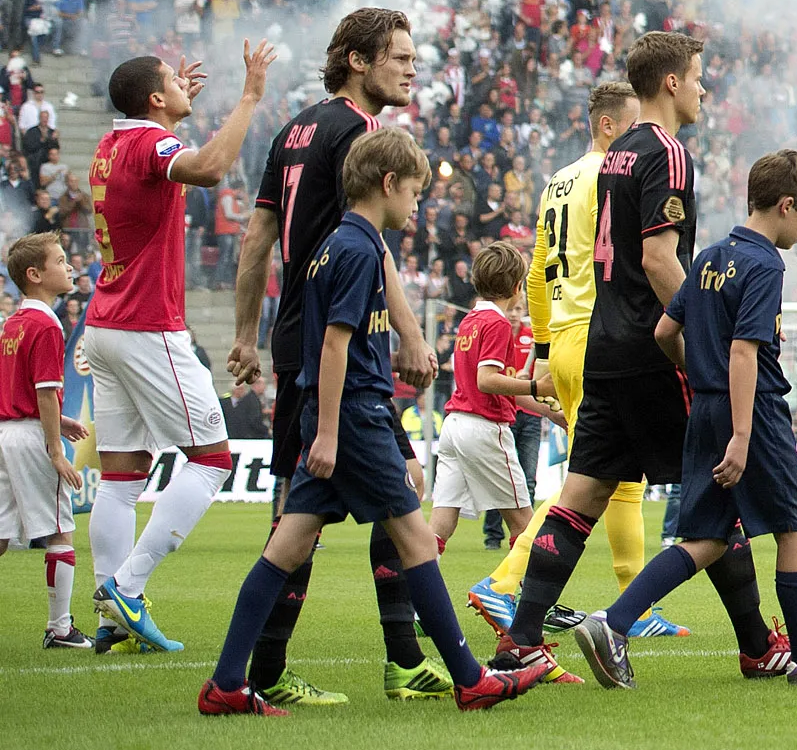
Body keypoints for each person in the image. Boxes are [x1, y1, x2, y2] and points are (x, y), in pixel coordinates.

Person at [197, 127, 551, 715]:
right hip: (354, 417)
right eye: (414, 191)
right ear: (387, 184)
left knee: (285, 546)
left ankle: (227, 683)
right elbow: (335, 347)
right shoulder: (361, 250)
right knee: (415, 540)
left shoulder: (334, 244)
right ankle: (471, 679)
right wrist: (333, 433)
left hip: (335, 412)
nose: (417, 204)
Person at [496, 34, 778, 676]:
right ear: (673, 83)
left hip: (603, 343)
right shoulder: (667, 153)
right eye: (699, 77)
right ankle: (758, 645)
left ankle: (520, 640)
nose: (705, 89)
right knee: (720, 488)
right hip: (656, 346)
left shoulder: (615, 153)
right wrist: (699, 332)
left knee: (580, 496)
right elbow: (658, 257)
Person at [575, 150, 797, 688]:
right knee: (794, 526)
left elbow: (665, 333)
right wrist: (742, 433)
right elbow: (745, 352)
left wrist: (701, 379)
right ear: (786, 206)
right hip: (753, 410)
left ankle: (612, 622)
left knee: (707, 537)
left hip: (708, 407)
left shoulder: (712, 256)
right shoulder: (765, 264)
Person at [227, 7, 445, 701]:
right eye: (400, 56)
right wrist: (409, 331)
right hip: (341, 344)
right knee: (318, 512)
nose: (412, 68)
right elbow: (369, 240)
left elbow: (258, 232)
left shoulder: (295, 128)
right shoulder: (361, 133)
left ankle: (396, 657)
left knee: (373, 493)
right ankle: (264, 672)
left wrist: (244, 332)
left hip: (302, 335)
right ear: (356, 59)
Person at [84, 41, 278, 657]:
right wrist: (249, 97)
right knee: (213, 459)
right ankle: (128, 586)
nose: (184, 83)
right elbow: (209, 168)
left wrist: (176, 114)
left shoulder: (112, 145)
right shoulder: (148, 142)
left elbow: (166, 157)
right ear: (153, 99)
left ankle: (111, 616)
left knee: (120, 476)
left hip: (104, 324)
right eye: (173, 80)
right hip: (147, 326)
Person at [474, 80, 655, 630]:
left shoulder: (558, 179)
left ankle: (639, 607)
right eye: (632, 126)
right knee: (585, 483)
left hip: (569, 337)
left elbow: (535, 271)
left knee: (618, 480)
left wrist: (545, 349)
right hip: (600, 335)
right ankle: (504, 582)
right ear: (607, 125)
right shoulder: (608, 175)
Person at [426, 245, 546, 557]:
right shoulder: (499, 324)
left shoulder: (470, 320)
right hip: (484, 428)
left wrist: (549, 412)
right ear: (517, 287)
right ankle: (521, 600)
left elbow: (496, 387)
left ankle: (415, 601)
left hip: (455, 427)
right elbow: (488, 381)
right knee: (524, 526)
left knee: (440, 524)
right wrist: (536, 385)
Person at [3, 231, 87, 647]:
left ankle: (61, 629)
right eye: (59, 260)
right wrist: (56, 450)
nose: (69, 266)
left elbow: (21, 390)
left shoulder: (13, 324)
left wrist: (62, 417)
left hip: (4, 434)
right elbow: (42, 389)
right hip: (31, 439)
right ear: (35, 274)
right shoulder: (46, 324)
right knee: (59, 531)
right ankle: (61, 629)